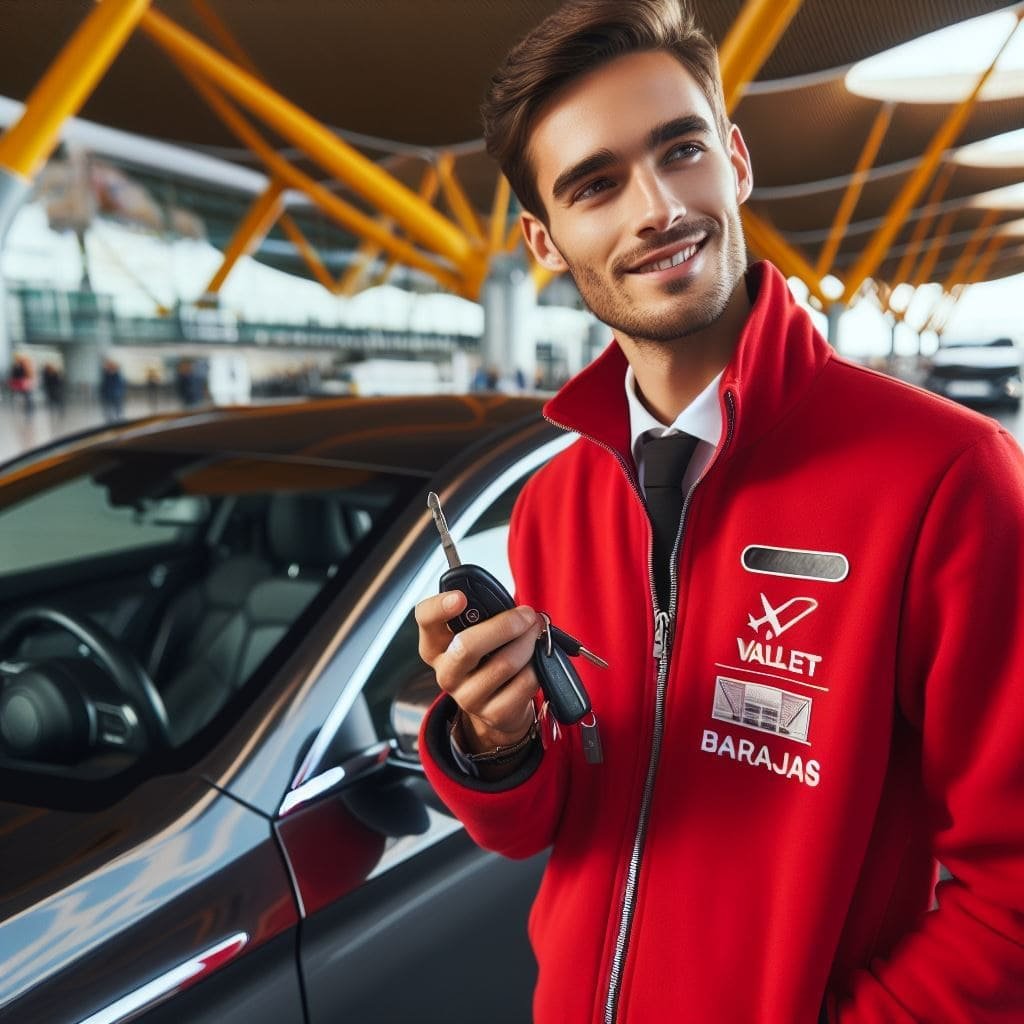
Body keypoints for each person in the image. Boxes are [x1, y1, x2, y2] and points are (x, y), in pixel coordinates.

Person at [413, 2, 1024, 1023]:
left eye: (679, 150)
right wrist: (495, 737)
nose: (656, 207)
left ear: (734, 161)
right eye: (595, 185)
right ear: (545, 240)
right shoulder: (555, 505)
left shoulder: (950, 478)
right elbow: (548, 826)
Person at [99, 358, 125, 422]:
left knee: (117, 406)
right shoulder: (106, 374)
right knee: (108, 408)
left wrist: (119, 391)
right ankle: (110, 418)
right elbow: (104, 384)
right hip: (107, 393)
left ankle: (118, 418)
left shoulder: (116, 374)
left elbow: (119, 384)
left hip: (116, 393)